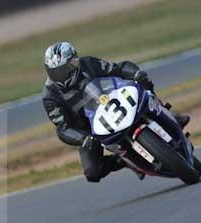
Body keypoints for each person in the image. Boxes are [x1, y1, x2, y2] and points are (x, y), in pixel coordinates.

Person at [42, 42, 190, 182]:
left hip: (112, 100)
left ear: (75, 61)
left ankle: (167, 113)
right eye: (57, 72)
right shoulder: (50, 97)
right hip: (91, 130)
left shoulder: (87, 63)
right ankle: (125, 161)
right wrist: (83, 139)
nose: (64, 74)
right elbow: (63, 128)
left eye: (68, 67)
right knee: (93, 172)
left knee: (144, 85)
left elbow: (118, 68)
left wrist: (136, 73)